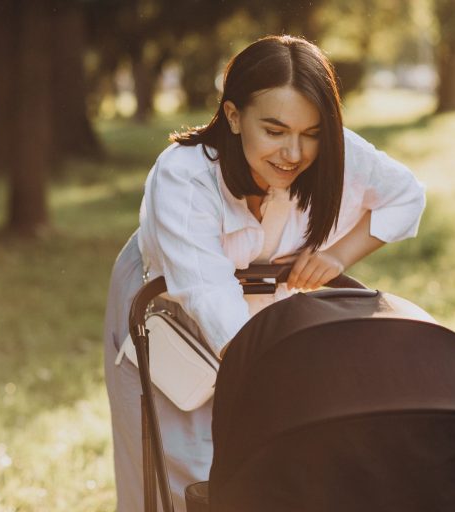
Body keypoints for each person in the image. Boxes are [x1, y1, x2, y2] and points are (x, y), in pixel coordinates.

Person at [103, 35, 426, 511]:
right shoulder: (184, 178)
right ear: (233, 117)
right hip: (170, 314)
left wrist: (337, 256)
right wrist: (278, 385)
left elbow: (406, 195)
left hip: (267, 314)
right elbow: (209, 296)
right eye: (274, 130)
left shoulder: (336, 152)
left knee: (273, 466)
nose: (293, 153)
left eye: (311, 132)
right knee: (183, 469)